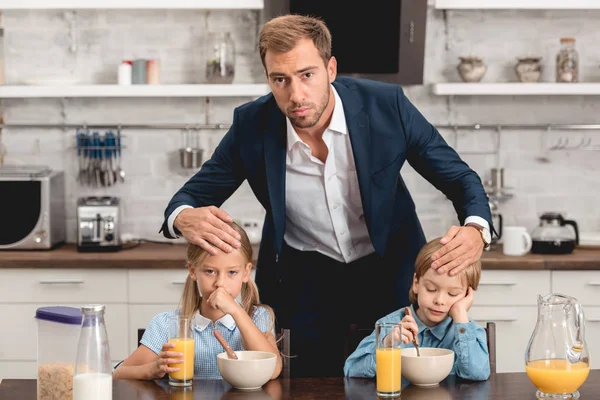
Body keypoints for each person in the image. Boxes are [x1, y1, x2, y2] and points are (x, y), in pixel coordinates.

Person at [160, 14, 494, 377]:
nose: (295, 94)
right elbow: (190, 195)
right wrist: (181, 216)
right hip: (303, 278)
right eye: (280, 80)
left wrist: (476, 228)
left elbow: (459, 177)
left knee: (397, 377)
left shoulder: (387, 106)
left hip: (388, 267)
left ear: (330, 68)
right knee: (301, 384)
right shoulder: (252, 125)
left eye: (307, 75)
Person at [113, 222, 282, 380]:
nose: (220, 283)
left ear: (246, 273)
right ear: (193, 271)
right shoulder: (166, 325)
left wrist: (237, 312)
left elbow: (273, 370)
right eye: (210, 271)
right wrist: (152, 369)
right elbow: (118, 374)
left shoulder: (258, 317)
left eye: (232, 272)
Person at [343, 238, 490, 381]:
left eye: (453, 293)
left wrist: (461, 316)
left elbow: (477, 374)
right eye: (431, 289)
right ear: (416, 283)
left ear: (466, 295)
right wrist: (387, 345)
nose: (439, 300)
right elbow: (352, 370)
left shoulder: (469, 332)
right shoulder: (391, 325)